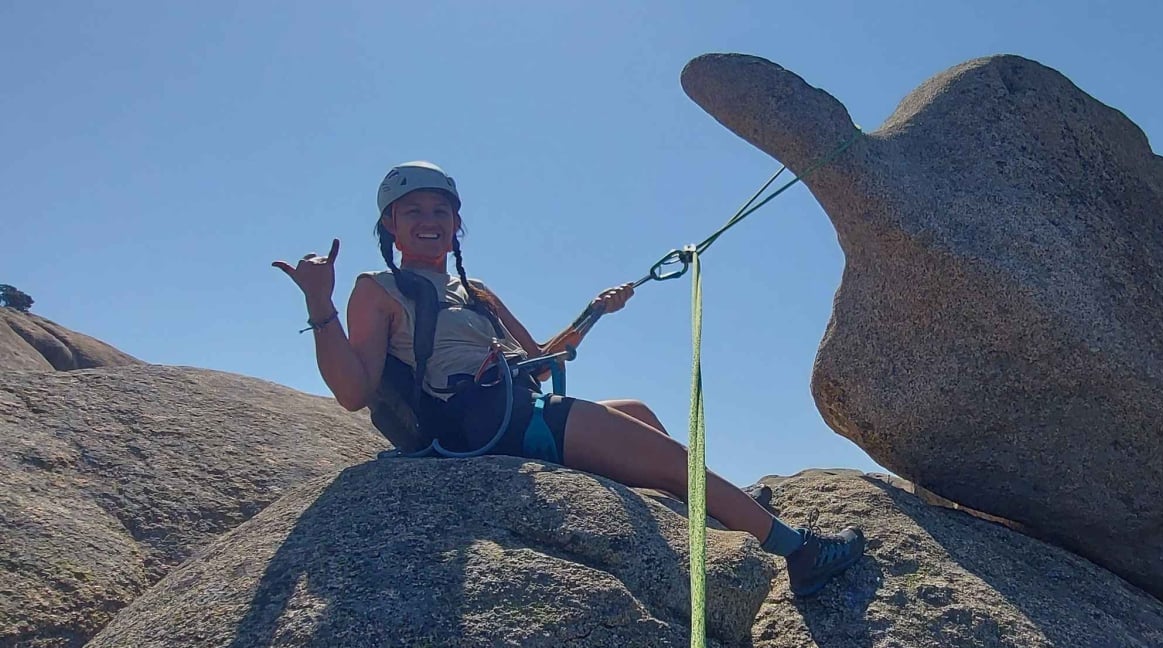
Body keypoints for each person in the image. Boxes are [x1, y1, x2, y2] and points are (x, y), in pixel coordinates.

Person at [273, 161, 865, 597]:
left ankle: (719, 508)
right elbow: (353, 391)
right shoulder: (377, 290)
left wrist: (595, 311)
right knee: (663, 457)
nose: (430, 221)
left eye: (441, 211)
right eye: (413, 212)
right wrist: (319, 305)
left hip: (514, 406)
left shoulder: (474, 292)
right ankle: (798, 551)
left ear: (457, 224)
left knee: (635, 412)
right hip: (478, 426)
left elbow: (541, 357)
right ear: (391, 226)